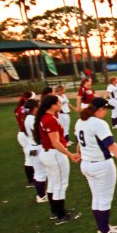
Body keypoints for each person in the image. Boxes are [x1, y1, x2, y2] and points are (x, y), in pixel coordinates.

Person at [74, 97, 117, 233]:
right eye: (104, 109)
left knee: (97, 197)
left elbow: (79, 143)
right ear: (99, 110)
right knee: (104, 198)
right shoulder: (99, 123)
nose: (106, 112)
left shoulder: (80, 121)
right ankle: (104, 231)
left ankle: (103, 228)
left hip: (86, 163)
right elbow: (111, 145)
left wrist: (78, 153)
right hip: (101, 164)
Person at [34, 95, 81, 224]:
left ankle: (56, 211)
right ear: (52, 105)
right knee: (60, 184)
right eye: (58, 103)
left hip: (48, 153)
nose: (61, 104)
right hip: (54, 154)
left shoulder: (47, 117)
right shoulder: (49, 119)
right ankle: (61, 215)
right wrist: (70, 154)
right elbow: (55, 142)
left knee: (53, 183)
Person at [23, 99, 48, 203]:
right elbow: (39, 133)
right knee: (42, 172)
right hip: (37, 147)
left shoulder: (28, 118)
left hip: (32, 147)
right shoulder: (32, 119)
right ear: (34, 108)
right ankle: (42, 196)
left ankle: (41, 195)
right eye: (38, 106)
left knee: (39, 172)